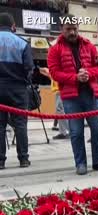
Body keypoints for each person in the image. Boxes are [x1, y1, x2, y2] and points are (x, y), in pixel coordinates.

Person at [48, 14, 98, 175]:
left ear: (78, 27)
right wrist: (75, 77)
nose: (72, 32)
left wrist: (88, 74)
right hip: (71, 97)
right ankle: (80, 164)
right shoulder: (55, 49)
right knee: (76, 132)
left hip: (91, 94)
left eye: (74, 28)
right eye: (68, 29)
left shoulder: (89, 45)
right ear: (61, 29)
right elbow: (54, 73)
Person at [0, 13, 33, 170]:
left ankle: (0, 161)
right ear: (13, 25)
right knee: (20, 124)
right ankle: (23, 159)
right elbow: (29, 68)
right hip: (18, 89)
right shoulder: (22, 42)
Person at [39, 67, 69, 140]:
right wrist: (49, 74)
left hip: (61, 91)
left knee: (60, 110)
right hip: (58, 92)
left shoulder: (59, 68)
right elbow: (54, 78)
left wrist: (49, 72)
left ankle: (68, 130)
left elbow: (59, 77)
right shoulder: (55, 70)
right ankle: (63, 132)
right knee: (59, 111)